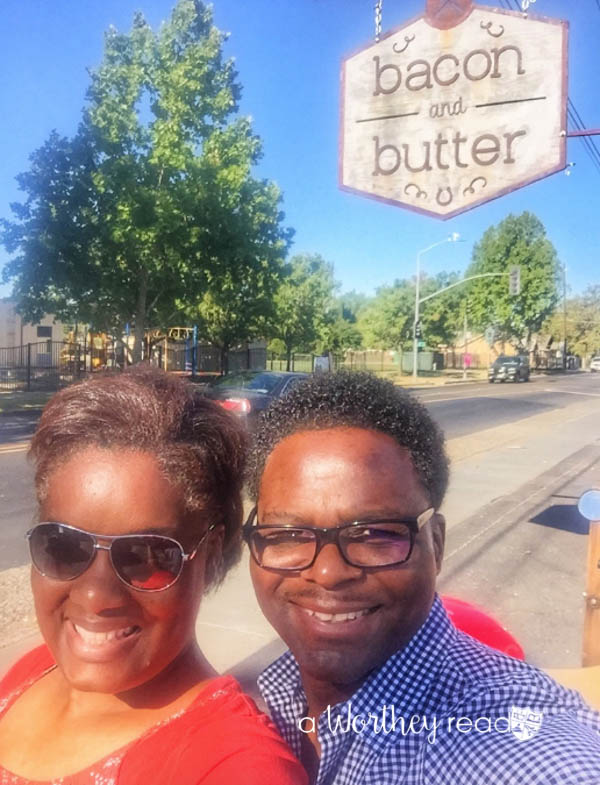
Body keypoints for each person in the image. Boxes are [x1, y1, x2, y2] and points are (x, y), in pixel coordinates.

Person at [244, 370, 600, 785]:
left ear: (437, 543)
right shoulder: (270, 701)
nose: (327, 573)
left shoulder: (519, 752)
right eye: (288, 534)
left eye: (374, 534)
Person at [0, 368, 306, 785]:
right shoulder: (36, 668)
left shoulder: (236, 765)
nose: (95, 597)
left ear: (210, 554)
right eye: (64, 545)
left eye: (144, 556)